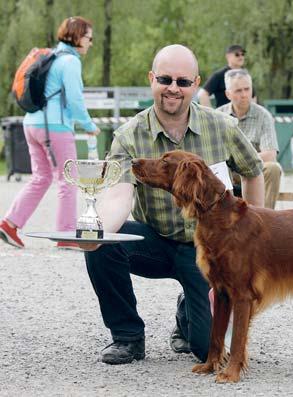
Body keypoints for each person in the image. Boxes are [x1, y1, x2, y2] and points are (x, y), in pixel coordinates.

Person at [81, 44, 264, 365]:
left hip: (208, 250)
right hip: (157, 241)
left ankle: (188, 312)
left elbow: (254, 171)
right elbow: (119, 195)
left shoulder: (221, 127)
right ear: (152, 79)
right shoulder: (128, 135)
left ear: (196, 84)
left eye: (183, 82)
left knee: (207, 350)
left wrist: (253, 236)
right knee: (106, 244)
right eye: (165, 79)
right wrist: (94, 234)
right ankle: (127, 337)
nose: (173, 88)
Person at [0, 16, 100, 249]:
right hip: (55, 127)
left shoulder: (50, 56)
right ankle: (65, 234)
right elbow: (75, 101)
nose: (91, 43)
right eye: (88, 38)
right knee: (68, 178)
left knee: (41, 177)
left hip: (31, 123)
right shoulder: (71, 62)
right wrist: (88, 125)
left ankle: (9, 224)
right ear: (76, 37)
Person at [217, 69, 281, 209]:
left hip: (254, 169)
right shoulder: (217, 116)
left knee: (273, 168)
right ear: (228, 94)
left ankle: (265, 218)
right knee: (217, 169)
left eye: (247, 89)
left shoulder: (264, 115)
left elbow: (270, 154)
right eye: (238, 91)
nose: (244, 94)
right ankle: (221, 220)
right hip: (227, 171)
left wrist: (242, 162)